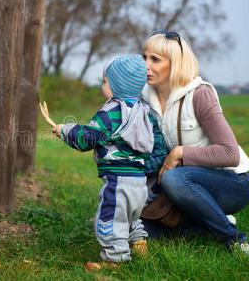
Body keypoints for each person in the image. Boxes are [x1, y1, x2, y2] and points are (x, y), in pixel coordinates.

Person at [140, 31, 249, 255]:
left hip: (231, 183)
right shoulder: (145, 96)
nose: (146, 65)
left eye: (155, 59)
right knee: (142, 232)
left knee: (174, 178)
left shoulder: (200, 94)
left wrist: (180, 152)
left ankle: (233, 239)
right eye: (144, 57)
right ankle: (206, 222)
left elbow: (230, 153)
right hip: (181, 188)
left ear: (175, 63)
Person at [51, 54, 167, 268]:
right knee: (132, 216)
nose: (103, 86)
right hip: (139, 181)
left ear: (116, 85)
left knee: (110, 218)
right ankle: (140, 246)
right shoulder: (144, 111)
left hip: (118, 181)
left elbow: (88, 137)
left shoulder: (111, 111)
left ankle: (115, 260)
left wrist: (65, 131)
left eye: (105, 81)